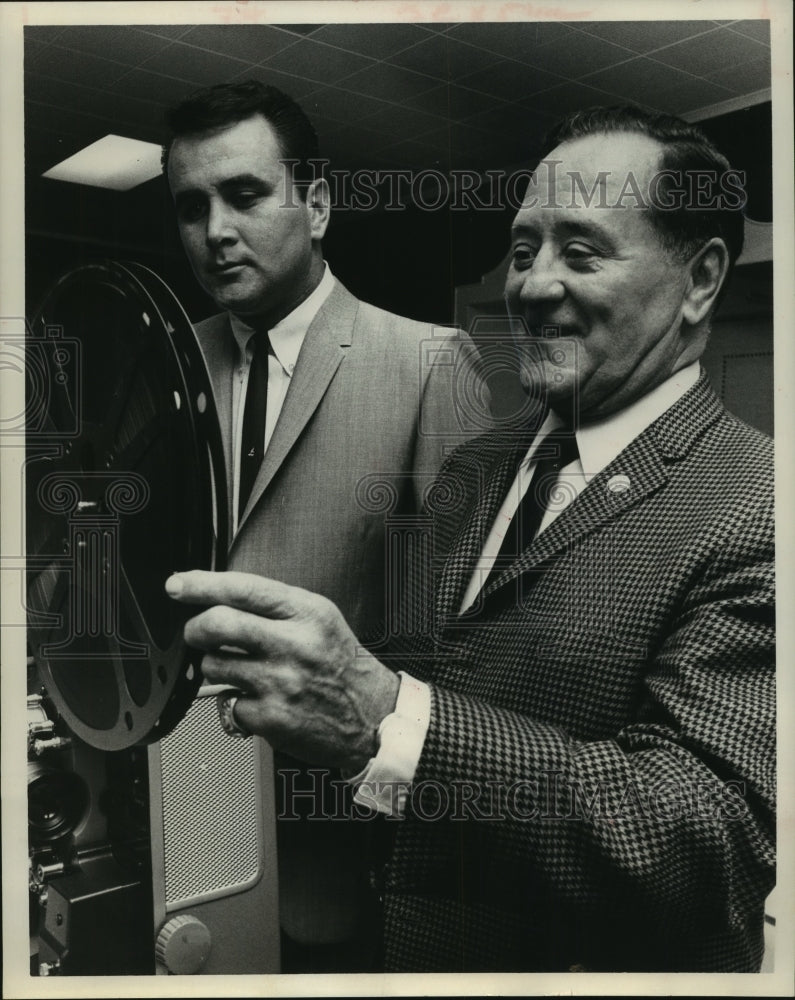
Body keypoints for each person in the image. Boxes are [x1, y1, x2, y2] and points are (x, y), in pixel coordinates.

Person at [165, 105, 775, 972]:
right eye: (523, 251)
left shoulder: (756, 505)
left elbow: (707, 844)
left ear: (701, 278)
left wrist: (389, 719)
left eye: (581, 251)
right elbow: (420, 674)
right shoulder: (481, 467)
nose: (530, 286)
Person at [162, 80, 490, 972]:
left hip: (338, 841)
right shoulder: (165, 361)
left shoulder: (427, 362)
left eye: (243, 194)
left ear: (316, 203)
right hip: (179, 813)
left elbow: (469, 637)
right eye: (191, 207)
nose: (216, 231)